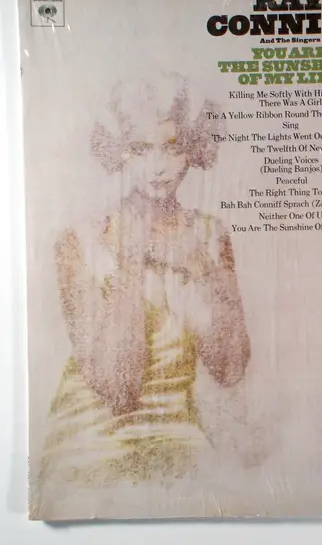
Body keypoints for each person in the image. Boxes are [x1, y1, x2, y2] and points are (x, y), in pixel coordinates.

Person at [35, 73, 252, 507]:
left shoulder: (211, 236)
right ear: (118, 150)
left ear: (193, 147)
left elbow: (230, 369)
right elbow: (118, 390)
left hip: (178, 438)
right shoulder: (81, 240)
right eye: (140, 148)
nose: (157, 166)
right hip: (90, 443)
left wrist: (197, 263)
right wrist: (131, 260)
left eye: (172, 147)